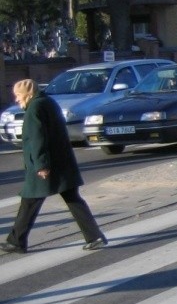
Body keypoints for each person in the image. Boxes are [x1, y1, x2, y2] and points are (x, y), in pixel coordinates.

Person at [0, 79, 108, 254]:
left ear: (28, 93)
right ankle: (94, 237)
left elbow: (37, 138)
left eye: (18, 95)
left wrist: (41, 165)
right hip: (61, 162)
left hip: (46, 164)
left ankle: (16, 241)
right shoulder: (47, 102)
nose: (16, 99)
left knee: (30, 200)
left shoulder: (35, 107)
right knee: (72, 199)